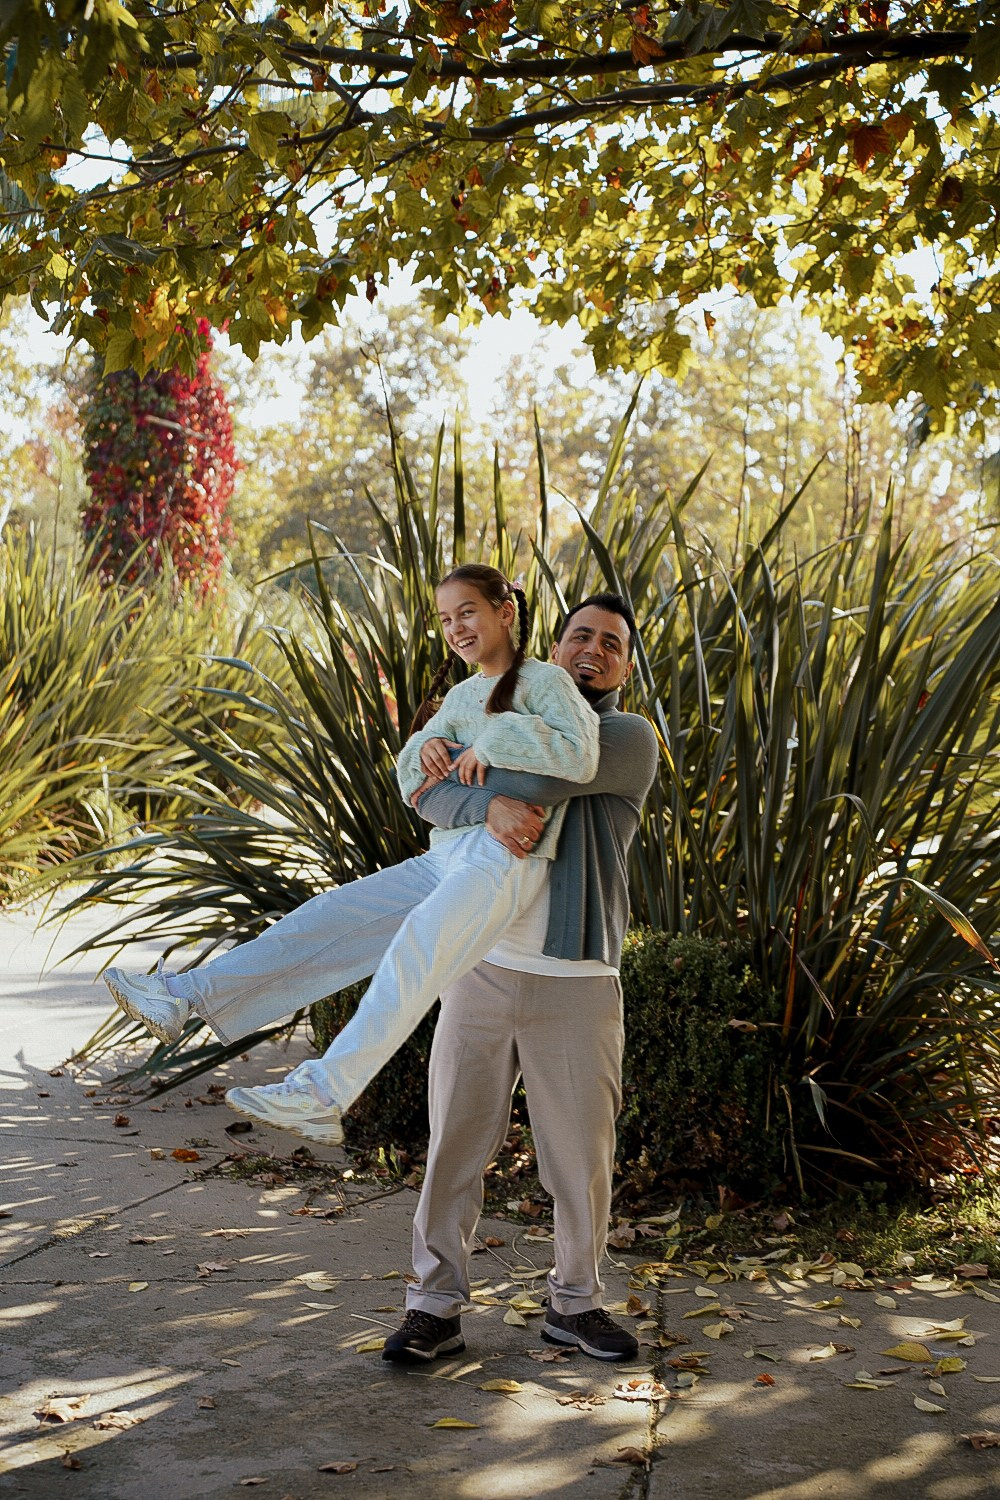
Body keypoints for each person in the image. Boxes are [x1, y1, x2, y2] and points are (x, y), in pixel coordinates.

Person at [103, 564, 600, 1148]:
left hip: (506, 860)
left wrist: (489, 743)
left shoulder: (548, 683)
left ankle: (321, 1094)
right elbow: (414, 782)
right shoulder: (461, 696)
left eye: (467, 612)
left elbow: (579, 757)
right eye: (445, 619)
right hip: (450, 853)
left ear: (504, 612)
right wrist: (435, 746)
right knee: (328, 916)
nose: (457, 628)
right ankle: (184, 996)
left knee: (419, 946)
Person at [380, 593, 659, 1366]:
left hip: (578, 979)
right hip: (482, 965)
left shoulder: (625, 737)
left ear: (625, 666)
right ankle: (433, 1305)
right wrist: (478, 794)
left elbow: (524, 781)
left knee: (581, 1157)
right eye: (579, 635)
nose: (593, 649)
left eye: (611, 643)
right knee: (455, 1146)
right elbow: (419, 792)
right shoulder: (495, 721)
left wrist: (474, 784)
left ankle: (575, 1302)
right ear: (553, 648)